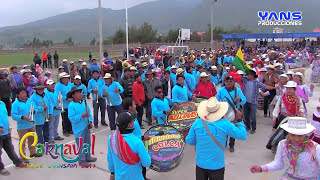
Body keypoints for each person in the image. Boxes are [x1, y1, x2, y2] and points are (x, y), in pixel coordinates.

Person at [186, 97, 247, 180]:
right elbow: (243, 135)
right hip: (217, 166)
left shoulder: (197, 123)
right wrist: (240, 120)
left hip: (201, 164)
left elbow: (189, 140)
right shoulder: (225, 124)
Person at [251, 117, 319, 180]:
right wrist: (261, 168)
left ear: (305, 134)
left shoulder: (315, 148)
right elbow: (278, 164)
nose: (296, 139)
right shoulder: (283, 144)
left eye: (300, 135)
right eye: (293, 135)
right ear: (288, 133)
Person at [107, 112, 151, 180]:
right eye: (133, 121)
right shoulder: (137, 142)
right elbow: (146, 163)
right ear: (130, 125)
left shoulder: (111, 139)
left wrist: (112, 172)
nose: (134, 122)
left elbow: (110, 159)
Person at [268, 81, 304, 153]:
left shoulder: (298, 99)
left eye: (291, 89)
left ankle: (292, 149)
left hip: (294, 118)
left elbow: (301, 108)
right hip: (283, 118)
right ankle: (275, 146)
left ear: (294, 90)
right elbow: (277, 108)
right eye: (288, 89)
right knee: (279, 133)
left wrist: (301, 115)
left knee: (293, 134)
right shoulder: (282, 98)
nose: (289, 91)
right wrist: (274, 118)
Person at [216, 76, 246, 152]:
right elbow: (216, 99)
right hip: (224, 112)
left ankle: (231, 145)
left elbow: (244, 100)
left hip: (234, 111)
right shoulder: (221, 90)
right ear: (225, 82)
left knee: (233, 129)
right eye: (227, 81)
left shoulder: (238, 91)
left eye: (230, 81)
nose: (229, 83)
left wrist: (240, 99)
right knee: (224, 129)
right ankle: (224, 144)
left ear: (233, 82)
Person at [68, 88, 97, 166]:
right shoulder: (71, 105)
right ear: (73, 95)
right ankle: (82, 160)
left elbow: (89, 112)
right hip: (78, 128)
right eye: (77, 93)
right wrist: (82, 115)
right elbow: (71, 118)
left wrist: (90, 121)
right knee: (81, 145)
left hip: (86, 126)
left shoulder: (84, 102)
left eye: (79, 93)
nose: (79, 94)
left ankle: (88, 156)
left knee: (88, 143)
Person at [12, 87, 41, 163]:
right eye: (22, 93)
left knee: (32, 139)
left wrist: (34, 111)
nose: (24, 94)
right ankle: (22, 156)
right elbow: (13, 115)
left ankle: (33, 152)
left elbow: (36, 108)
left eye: (25, 92)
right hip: (22, 127)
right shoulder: (15, 104)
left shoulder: (30, 100)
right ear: (18, 95)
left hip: (31, 124)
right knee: (22, 142)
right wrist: (22, 117)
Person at [242, 70, 276, 134]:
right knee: (246, 115)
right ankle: (248, 126)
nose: (248, 76)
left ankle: (253, 128)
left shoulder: (256, 82)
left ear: (252, 76)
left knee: (253, 116)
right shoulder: (245, 80)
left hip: (253, 102)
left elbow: (265, 86)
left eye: (249, 74)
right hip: (245, 101)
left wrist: (274, 88)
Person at [0, 100, 22, 176]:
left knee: (10, 148)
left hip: (6, 131)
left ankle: (17, 162)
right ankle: (1, 168)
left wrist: (7, 126)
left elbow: (4, 116)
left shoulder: (2, 104)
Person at [55, 72, 73, 137]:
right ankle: (65, 130)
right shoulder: (58, 86)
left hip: (71, 103)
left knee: (70, 117)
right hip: (64, 104)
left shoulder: (70, 84)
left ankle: (70, 129)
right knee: (64, 118)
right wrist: (66, 98)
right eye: (64, 78)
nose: (66, 79)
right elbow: (57, 95)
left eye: (67, 78)